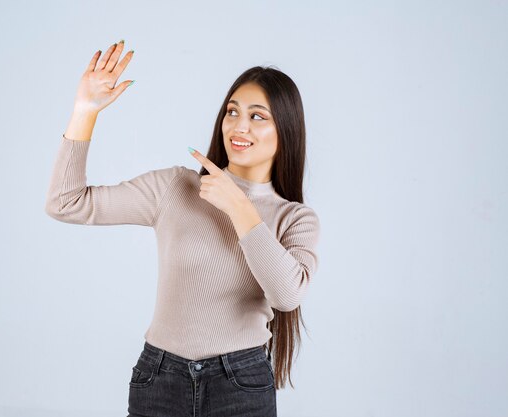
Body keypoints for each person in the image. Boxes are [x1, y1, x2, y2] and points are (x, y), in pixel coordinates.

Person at [45, 39, 320, 417]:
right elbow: (66, 202)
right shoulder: (176, 188)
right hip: (160, 379)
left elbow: (286, 295)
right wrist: (84, 111)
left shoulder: (295, 219)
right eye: (232, 112)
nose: (239, 126)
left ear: (285, 129)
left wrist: (239, 207)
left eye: (258, 116)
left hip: (240, 386)